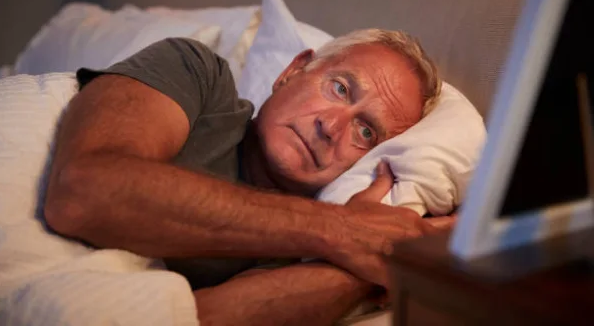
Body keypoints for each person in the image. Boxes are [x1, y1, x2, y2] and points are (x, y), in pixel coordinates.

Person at [43, 29, 453, 325]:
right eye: (340, 89)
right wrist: (341, 230)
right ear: (292, 71)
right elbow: (83, 191)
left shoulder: (300, 255)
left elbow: (193, 320)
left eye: (365, 133)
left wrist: (374, 262)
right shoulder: (198, 75)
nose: (331, 127)